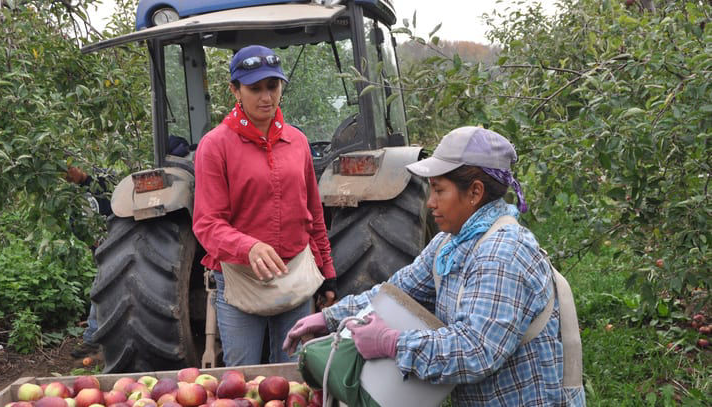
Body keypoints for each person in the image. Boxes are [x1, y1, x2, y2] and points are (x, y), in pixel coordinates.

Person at [284, 127, 585, 406]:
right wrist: (331, 318)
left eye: (439, 190)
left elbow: (475, 351)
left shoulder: (502, 253)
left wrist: (393, 343)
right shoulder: (450, 244)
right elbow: (398, 292)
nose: (430, 202)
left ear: (475, 193)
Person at [192, 45, 337, 366]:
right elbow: (206, 223)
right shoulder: (216, 146)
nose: (265, 97)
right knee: (242, 377)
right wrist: (249, 248)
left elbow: (313, 215)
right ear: (235, 90)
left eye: (272, 86)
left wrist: (327, 271)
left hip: (294, 279)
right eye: (254, 88)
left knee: (291, 374)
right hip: (241, 280)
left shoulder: (297, 142)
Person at [65, 165, 113, 358]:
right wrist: (89, 240)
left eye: (68, 171)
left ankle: (93, 338)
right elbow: (74, 224)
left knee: (100, 290)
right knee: (102, 289)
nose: (67, 177)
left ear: (78, 167)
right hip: (100, 248)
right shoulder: (74, 196)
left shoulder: (101, 184)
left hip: (116, 245)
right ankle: (95, 337)